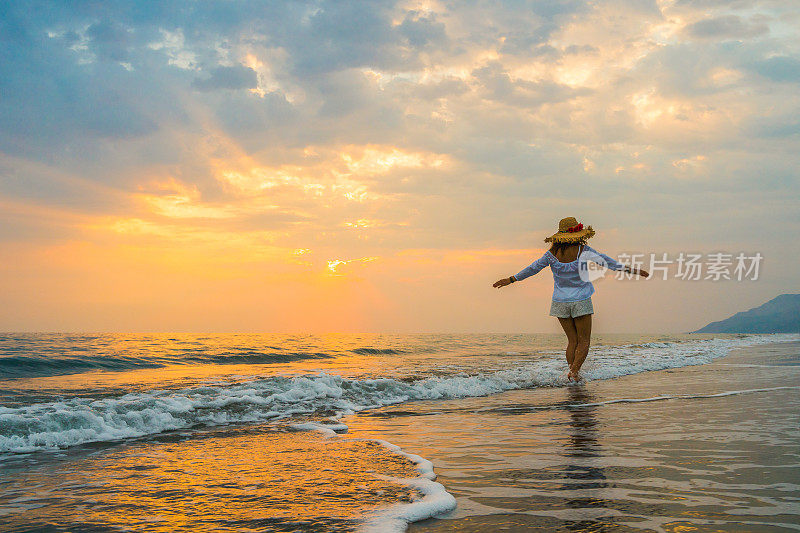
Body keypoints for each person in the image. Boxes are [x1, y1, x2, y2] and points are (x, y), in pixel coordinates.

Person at [493, 217, 649, 382]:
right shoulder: (583, 250)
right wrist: (632, 270)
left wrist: (511, 279)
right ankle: (574, 372)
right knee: (584, 341)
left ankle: (573, 374)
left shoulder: (551, 255)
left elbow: (532, 268)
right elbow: (607, 262)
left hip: (560, 302)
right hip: (581, 300)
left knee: (572, 341)